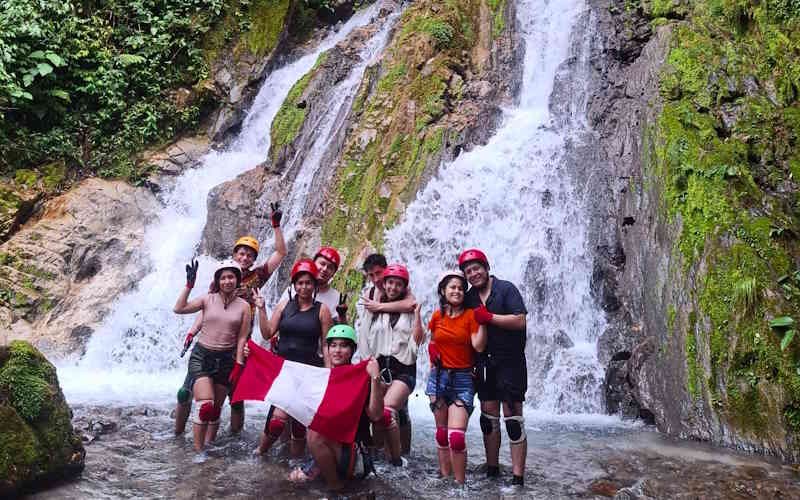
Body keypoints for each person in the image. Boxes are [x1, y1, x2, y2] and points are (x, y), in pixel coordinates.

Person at [174, 203, 286, 435]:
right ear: (234, 255)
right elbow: (207, 310)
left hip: (239, 345)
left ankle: (233, 439)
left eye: (249, 254)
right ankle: (177, 433)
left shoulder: (257, 277)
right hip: (211, 340)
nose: (244, 257)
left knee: (235, 397)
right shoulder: (221, 278)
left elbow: (280, 254)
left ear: (253, 259)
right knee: (186, 391)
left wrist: (276, 226)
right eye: (241, 253)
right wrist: (192, 332)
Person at [460, 248, 529, 486]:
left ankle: (518, 477)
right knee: (488, 418)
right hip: (484, 364)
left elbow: (520, 320)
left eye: (476, 268)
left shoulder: (506, 289)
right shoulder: (468, 298)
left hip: (511, 362)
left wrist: (489, 317)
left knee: (513, 420)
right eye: (468, 271)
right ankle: (493, 470)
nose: (473, 273)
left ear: (486, 267)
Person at [288, 324, 384, 491]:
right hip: (331, 446)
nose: (337, 350)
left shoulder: (362, 377)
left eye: (343, 345)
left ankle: (336, 487)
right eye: (333, 345)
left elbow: (376, 415)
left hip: (355, 449)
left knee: (315, 435)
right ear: (327, 349)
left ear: (352, 350)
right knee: (293, 480)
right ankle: (329, 474)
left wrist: (375, 378)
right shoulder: (323, 377)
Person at [254, 258, 334, 457]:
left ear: (314, 285)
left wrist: (329, 371)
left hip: (309, 370)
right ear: (294, 285)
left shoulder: (322, 310)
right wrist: (261, 309)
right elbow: (267, 333)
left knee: (299, 424)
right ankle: (260, 453)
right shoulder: (284, 306)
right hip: (285, 370)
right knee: (277, 420)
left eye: (308, 283)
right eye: (300, 283)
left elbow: (326, 344)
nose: (304, 287)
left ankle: (295, 464)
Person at [172, 259, 251, 452]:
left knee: (215, 410)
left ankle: (209, 446)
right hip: (202, 356)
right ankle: (198, 452)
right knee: (205, 405)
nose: (227, 281)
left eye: (231, 277)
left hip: (226, 359)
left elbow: (242, 338)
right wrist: (188, 286)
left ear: (237, 279)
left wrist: (239, 364)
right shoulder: (207, 299)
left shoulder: (244, 307)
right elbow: (179, 308)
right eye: (223, 278)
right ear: (217, 281)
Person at [356, 263, 423, 466]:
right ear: (384, 284)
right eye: (390, 283)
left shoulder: (411, 308)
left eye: (398, 284)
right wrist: (369, 365)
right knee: (377, 416)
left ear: (404, 287)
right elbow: (364, 336)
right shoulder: (373, 307)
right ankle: (379, 456)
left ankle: (396, 461)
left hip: (404, 369)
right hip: (380, 367)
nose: (393, 287)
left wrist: (418, 315)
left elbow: (418, 340)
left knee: (387, 411)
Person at [426, 269, 487, 483]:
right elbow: (433, 341)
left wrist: (484, 322)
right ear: (443, 290)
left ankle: (460, 485)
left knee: (456, 437)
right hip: (438, 377)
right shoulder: (437, 315)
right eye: (452, 287)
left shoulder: (471, 316)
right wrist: (431, 358)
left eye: (461, 288)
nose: (457, 291)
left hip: (462, 379)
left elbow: (478, 347)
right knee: (442, 434)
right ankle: (445, 476)